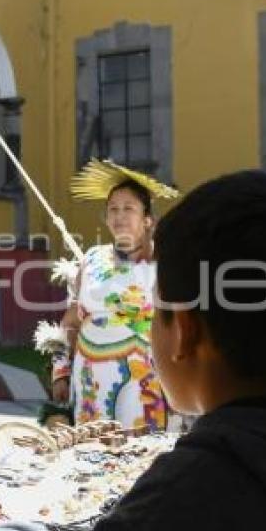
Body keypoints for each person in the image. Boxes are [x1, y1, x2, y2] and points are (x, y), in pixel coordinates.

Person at [0, 171, 266, 531]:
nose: (119, 216)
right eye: (113, 208)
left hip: (140, 391)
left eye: (158, 312)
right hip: (95, 382)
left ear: (184, 330)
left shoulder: (180, 495)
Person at [47, 161, 178, 430]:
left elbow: (180, 324)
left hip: (143, 376)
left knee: (141, 453)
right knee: (92, 454)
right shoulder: (91, 260)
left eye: (128, 208)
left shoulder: (166, 262)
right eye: (113, 210)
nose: (119, 216)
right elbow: (70, 321)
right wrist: (60, 370)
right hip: (89, 377)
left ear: (147, 219)